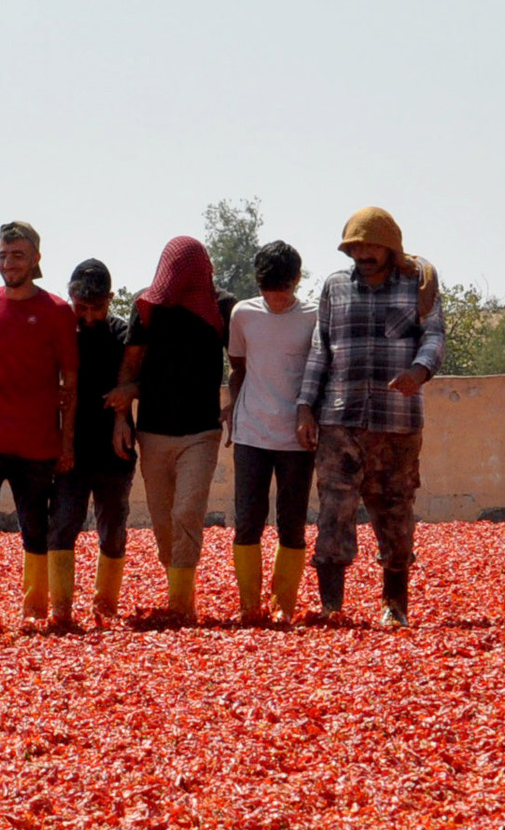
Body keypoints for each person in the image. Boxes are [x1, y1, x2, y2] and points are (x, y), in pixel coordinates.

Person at [294, 207, 443, 628]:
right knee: (333, 511)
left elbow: (434, 336)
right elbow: (320, 349)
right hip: (340, 420)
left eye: (372, 246)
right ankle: (331, 607)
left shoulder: (418, 285)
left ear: (391, 248)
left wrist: (419, 371)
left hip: (397, 423)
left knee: (396, 511)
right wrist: (305, 406)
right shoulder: (335, 287)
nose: (364, 254)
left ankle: (395, 604)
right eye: (356, 247)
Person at [0, 221, 76, 632]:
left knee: (35, 527)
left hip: (35, 443)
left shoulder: (57, 311)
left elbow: (70, 382)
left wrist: (67, 443)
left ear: (36, 258)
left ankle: (34, 611)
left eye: (17, 255)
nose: (8, 263)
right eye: (2, 256)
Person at [106, 235, 224, 623]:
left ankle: (180, 605)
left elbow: (242, 360)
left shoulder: (221, 306)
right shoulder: (147, 305)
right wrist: (121, 419)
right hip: (154, 431)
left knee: (187, 510)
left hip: (202, 431)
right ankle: (179, 590)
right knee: (162, 520)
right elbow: (131, 364)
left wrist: (237, 402)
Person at [225, 240, 319, 624]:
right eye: (268, 290)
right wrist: (232, 408)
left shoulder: (314, 316)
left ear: (296, 280)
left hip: (297, 437)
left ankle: (284, 605)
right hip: (251, 433)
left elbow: (319, 371)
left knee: (292, 522)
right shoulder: (242, 314)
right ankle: (250, 606)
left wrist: (310, 416)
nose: (276, 299)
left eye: (283, 289)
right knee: (247, 520)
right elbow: (238, 366)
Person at [42, 259, 135, 629]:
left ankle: (106, 605)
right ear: (70, 297)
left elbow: (145, 378)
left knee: (113, 527)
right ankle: (61, 609)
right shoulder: (60, 333)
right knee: (63, 522)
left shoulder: (123, 334)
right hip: (70, 449)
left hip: (115, 448)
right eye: (82, 307)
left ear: (110, 299)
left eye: (98, 307)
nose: (90, 316)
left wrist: (129, 392)